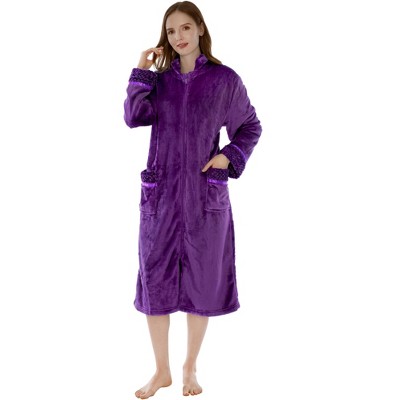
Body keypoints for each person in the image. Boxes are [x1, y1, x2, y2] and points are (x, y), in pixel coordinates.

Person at [123, 1, 262, 398]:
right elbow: (133, 117)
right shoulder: (160, 82)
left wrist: (227, 157)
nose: (178, 37)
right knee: (155, 281)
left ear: (200, 28)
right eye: (171, 31)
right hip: (161, 196)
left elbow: (250, 126)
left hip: (203, 196)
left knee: (202, 281)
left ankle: (190, 367)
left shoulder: (224, 80)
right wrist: (142, 71)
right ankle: (161, 371)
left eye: (185, 27)